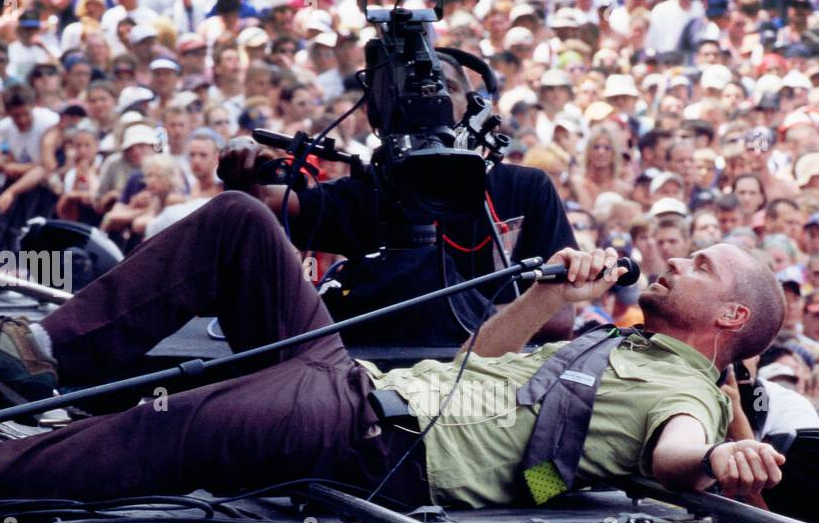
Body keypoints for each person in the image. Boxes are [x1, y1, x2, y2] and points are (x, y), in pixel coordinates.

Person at [0, 193, 786, 507]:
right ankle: (42, 355)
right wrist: (551, 295)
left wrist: (720, 454)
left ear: (732, 318)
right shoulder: (613, 344)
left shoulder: (689, 395)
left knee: (153, 428)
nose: (677, 260)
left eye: (701, 266)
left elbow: (677, 455)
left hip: (370, 437)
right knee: (241, 226)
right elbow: (477, 356)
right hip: (359, 384)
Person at [216, 53, 576, 345]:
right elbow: (262, 203)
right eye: (412, 93)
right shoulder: (371, 189)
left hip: (498, 377)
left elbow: (560, 318)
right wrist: (243, 167)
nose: (428, 101)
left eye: (444, 87)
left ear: (475, 109)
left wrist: (453, 316)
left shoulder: (529, 187)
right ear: (381, 116)